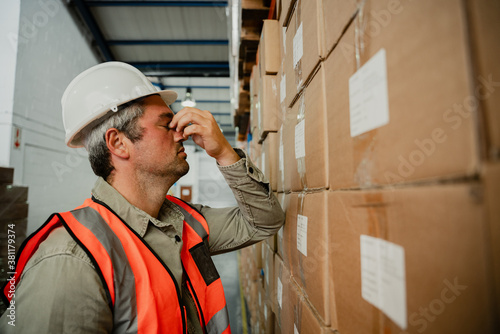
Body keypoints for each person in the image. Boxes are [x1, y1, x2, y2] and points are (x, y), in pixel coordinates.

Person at [0, 62, 284, 333]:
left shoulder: (185, 222)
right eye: (166, 124)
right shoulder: (70, 260)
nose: (181, 134)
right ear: (119, 143)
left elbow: (264, 221)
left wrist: (224, 153)